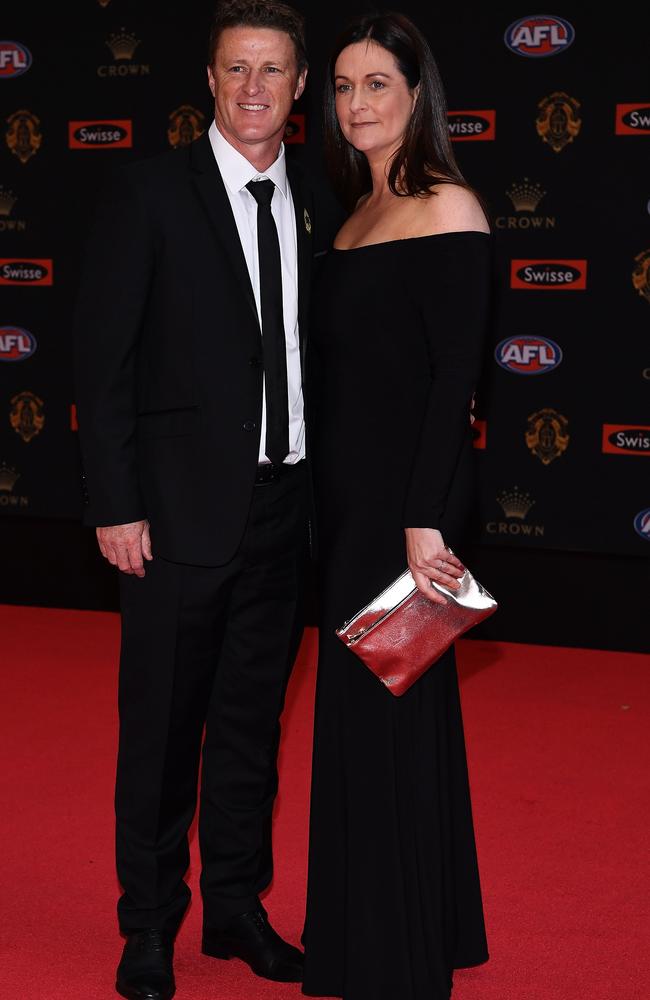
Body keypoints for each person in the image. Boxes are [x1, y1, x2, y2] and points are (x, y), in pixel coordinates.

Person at [74, 2, 324, 998]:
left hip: (285, 512)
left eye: (272, 70)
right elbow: (103, 363)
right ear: (209, 83)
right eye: (236, 69)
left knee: (251, 732)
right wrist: (115, 503)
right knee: (163, 736)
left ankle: (234, 910)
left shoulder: (319, 201)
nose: (254, 87)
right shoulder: (149, 195)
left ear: (299, 88)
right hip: (175, 520)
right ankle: (147, 929)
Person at [301, 12, 492, 1000]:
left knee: (397, 719)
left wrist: (426, 524)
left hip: (403, 517)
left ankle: (403, 954)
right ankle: (350, 937)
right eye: (340, 86)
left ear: (416, 96)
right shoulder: (346, 212)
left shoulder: (448, 208)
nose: (355, 103)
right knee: (354, 723)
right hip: (341, 511)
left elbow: (452, 382)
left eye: (376, 83)